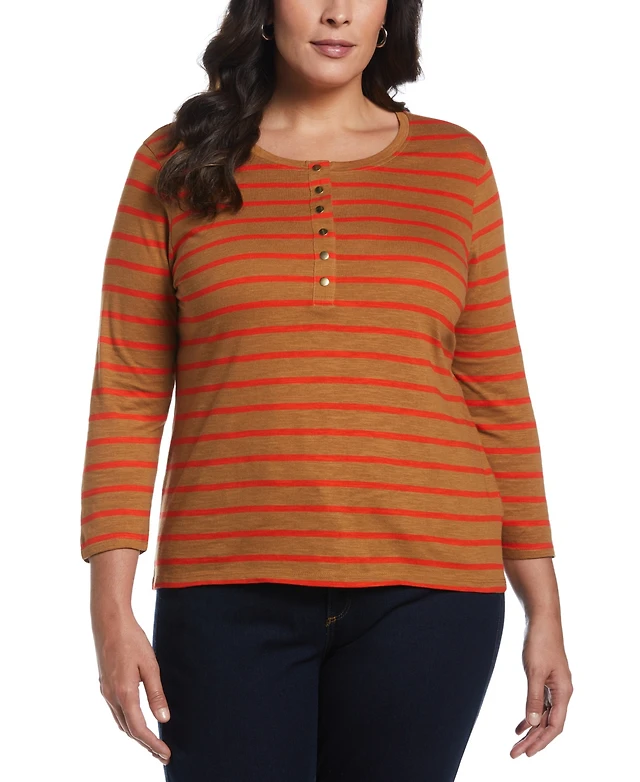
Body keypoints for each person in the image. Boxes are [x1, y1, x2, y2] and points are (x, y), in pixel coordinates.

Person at [81, 1, 573, 779]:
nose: (337, 12)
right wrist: (110, 612)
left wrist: (543, 608)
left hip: (432, 593)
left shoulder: (456, 165)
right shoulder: (175, 162)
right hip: (224, 589)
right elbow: (129, 394)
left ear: (389, 16)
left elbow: (497, 395)